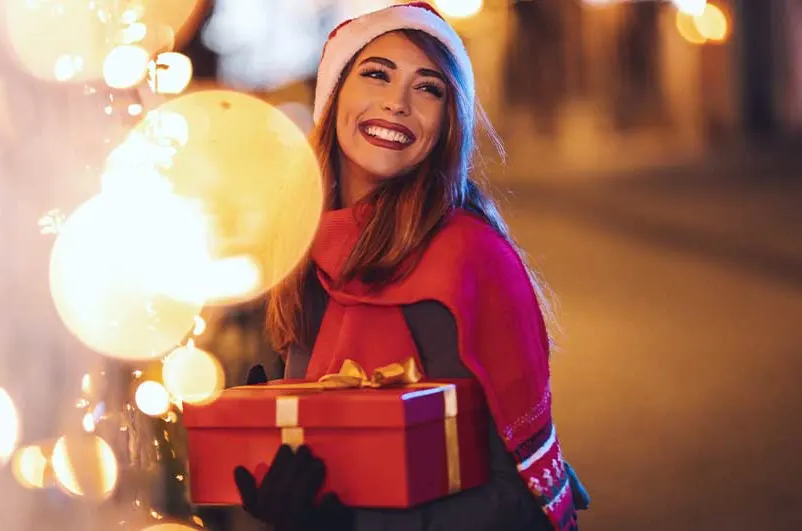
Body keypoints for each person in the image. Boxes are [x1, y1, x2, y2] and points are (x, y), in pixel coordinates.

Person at [232, 3, 589, 530]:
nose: (398, 103)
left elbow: (521, 503)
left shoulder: (470, 260)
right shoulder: (303, 254)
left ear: (448, 121)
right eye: (376, 74)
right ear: (334, 96)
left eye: (428, 88)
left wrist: (353, 525)